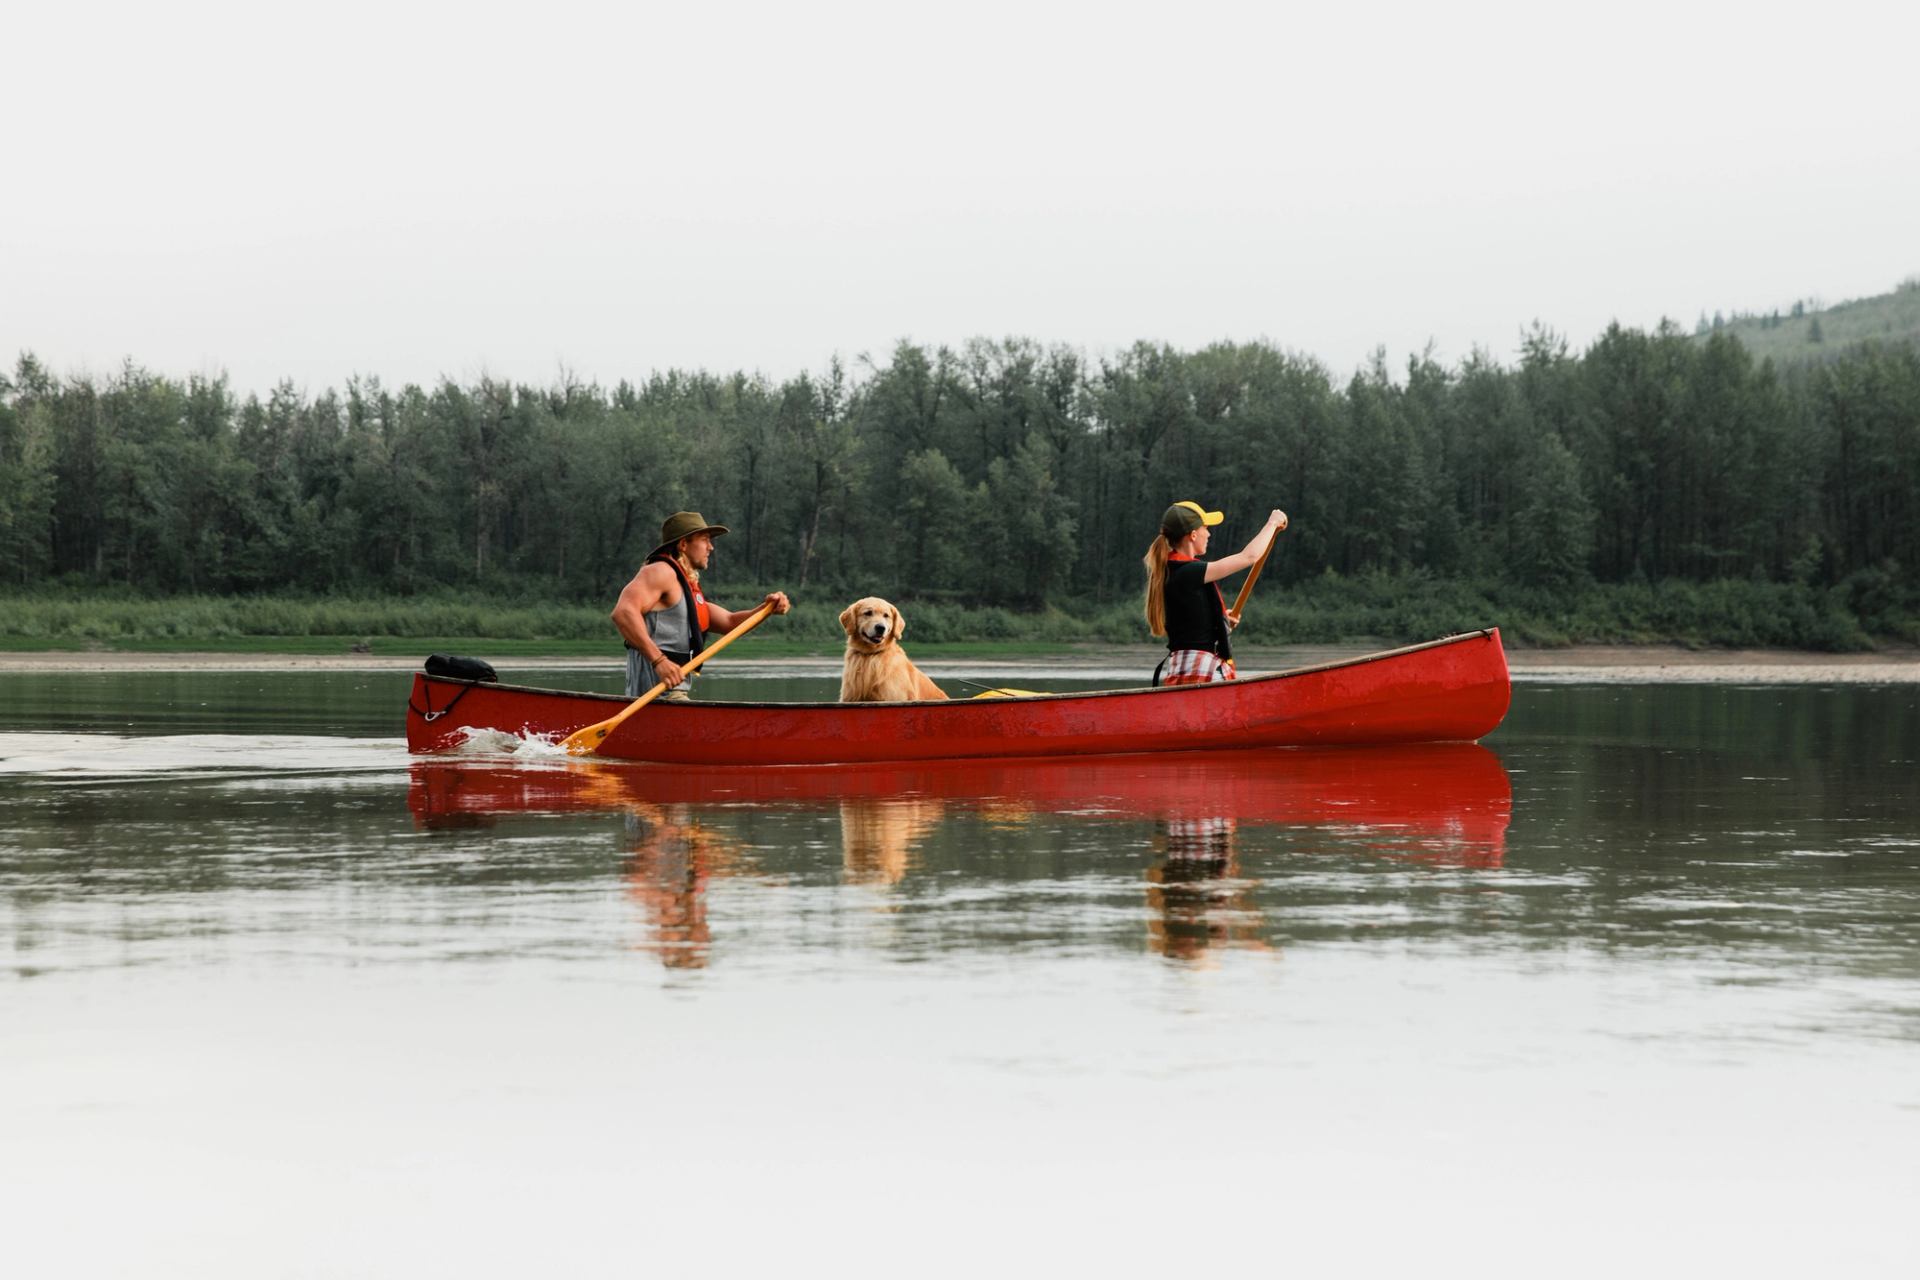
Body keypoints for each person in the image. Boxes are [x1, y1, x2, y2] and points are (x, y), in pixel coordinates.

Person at [612, 511, 791, 699]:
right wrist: (659, 660)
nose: (711, 547)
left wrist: (767, 609)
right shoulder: (660, 571)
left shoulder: (686, 589)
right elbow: (623, 612)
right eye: (705, 540)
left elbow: (730, 621)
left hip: (672, 695)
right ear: (683, 544)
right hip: (655, 698)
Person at [1143, 500, 1287, 686]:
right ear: (1193, 535)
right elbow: (1249, 557)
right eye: (1206, 528)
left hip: (1182, 668)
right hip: (1201, 669)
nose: (1209, 534)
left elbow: (1189, 621)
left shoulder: (1171, 570)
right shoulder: (1188, 572)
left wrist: (1220, 621)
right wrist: (1272, 523)